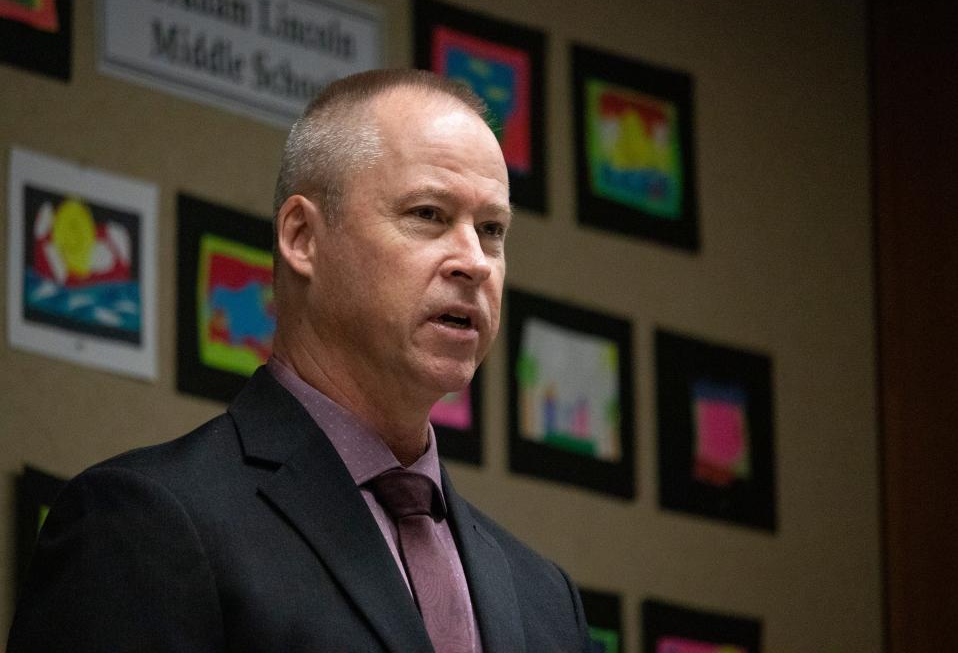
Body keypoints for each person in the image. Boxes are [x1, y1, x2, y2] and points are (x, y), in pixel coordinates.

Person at [7, 69, 589, 652]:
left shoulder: (547, 599)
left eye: (491, 230)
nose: (475, 261)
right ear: (303, 236)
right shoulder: (141, 524)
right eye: (429, 215)